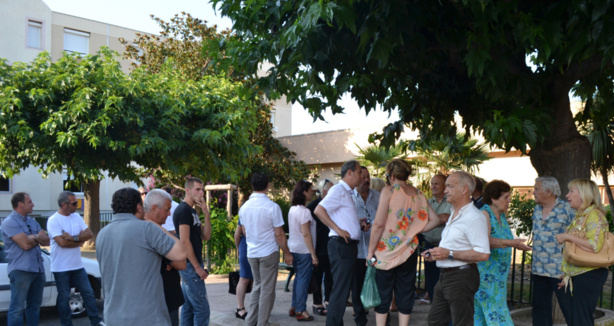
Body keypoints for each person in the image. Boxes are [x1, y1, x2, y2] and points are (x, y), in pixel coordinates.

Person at [366, 159, 441, 326]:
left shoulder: (389, 190)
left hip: (385, 251)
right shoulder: (419, 194)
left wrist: (370, 252)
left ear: (391, 175)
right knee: (405, 291)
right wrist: (413, 231)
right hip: (409, 250)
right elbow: (435, 220)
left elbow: (378, 224)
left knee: (383, 292)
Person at [97, 187, 186, 325]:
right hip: (147, 318)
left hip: (113, 317)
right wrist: (153, 224)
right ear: (139, 207)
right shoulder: (147, 229)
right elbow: (181, 252)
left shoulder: (102, 234)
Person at [422, 171, 490, 326]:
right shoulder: (454, 213)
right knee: (435, 321)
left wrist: (449, 253)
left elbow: (483, 254)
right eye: (446, 186)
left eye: (450, 186)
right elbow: (454, 246)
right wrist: (438, 254)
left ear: (464, 189)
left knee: (462, 322)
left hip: (461, 276)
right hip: (445, 276)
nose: (445, 190)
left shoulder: (474, 217)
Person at [473, 180, 531, 325]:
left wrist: (515, 244)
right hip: (486, 277)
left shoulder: (503, 216)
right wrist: (512, 243)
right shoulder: (484, 214)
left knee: (485, 316)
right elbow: (484, 240)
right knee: (496, 315)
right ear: (493, 198)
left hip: (499, 278)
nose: (509, 201)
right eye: (506, 197)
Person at [239, 172, 293, 326]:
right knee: (267, 290)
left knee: (257, 286)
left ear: (252, 186)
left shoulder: (244, 208)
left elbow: (243, 231)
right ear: (268, 185)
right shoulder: (272, 207)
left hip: (252, 252)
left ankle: (251, 321)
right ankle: (262, 323)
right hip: (268, 252)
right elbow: (280, 234)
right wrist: (287, 253)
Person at [314, 160, 363, 326]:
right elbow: (319, 210)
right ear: (349, 173)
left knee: (343, 289)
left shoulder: (347, 192)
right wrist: (338, 229)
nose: (361, 176)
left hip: (346, 245)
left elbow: (341, 216)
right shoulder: (338, 190)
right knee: (341, 291)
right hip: (341, 245)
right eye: (359, 172)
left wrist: (357, 223)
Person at [556, 179, 609, 326]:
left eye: (572, 191)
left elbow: (594, 246)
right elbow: (577, 252)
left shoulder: (594, 215)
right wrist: (567, 274)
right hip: (577, 275)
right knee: (575, 320)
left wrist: (567, 236)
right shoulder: (581, 217)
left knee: (581, 321)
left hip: (589, 275)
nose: (567, 195)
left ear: (584, 195)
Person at [47, 191, 104, 326]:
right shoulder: (53, 220)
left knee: (88, 294)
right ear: (64, 204)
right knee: (63, 298)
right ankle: (66, 324)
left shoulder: (76, 217)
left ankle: (95, 321)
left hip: (77, 266)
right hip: (61, 268)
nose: (77, 206)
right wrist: (79, 242)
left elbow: (89, 233)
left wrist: (74, 238)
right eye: (74, 203)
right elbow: (62, 243)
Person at [530, 176, 574, 326]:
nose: (533, 192)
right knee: (539, 311)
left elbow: (578, 237)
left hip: (560, 271)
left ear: (548, 191)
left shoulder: (567, 209)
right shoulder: (536, 209)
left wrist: (570, 268)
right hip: (538, 270)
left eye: (536, 189)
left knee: (570, 310)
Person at [2, 192, 50, 326]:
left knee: (34, 307)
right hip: (21, 270)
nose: (33, 204)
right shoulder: (9, 222)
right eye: (29, 202)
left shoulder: (32, 221)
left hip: (38, 270)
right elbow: (25, 244)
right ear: (20, 204)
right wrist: (36, 237)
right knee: (17, 309)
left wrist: (32, 237)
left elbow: (46, 241)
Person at [143, 189, 186, 326]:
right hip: (161, 300)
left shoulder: (157, 230)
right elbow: (181, 262)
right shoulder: (149, 233)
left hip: (169, 297)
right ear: (154, 209)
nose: (169, 214)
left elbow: (181, 262)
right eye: (167, 209)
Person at [173, 177, 212, 326]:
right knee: (202, 309)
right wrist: (197, 267)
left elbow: (206, 236)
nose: (201, 192)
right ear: (187, 191)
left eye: (202, 189)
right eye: (198, 189)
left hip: (192, 264)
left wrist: (206, 214)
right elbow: (184, 241)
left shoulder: (192, 211)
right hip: (190, 265)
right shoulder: (184, 210)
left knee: (188, 307)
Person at [352, 167, 379, 326]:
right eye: (363, 177)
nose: (366, 180)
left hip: (376, 250)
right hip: (356, 251)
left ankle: (383, 318)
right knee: (357, 287)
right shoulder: (349, 198)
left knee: (379, 285)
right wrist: (358, 224)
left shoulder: (379, 196)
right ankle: (360, 319)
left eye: (368, 177)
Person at [288, 180, 318, 321]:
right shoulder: (305, 212)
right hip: (304, 250)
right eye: (310, 190)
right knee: (303, 281)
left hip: (293, 248)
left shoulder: (292, 209)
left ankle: (295, 306)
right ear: (304, 192)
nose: (312, 192)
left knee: (298, 278)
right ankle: (301, 310)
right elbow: (306, 233)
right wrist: (313, 254)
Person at [420, 174, 451, 305]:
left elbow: (446, 218)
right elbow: (421, 219)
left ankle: (443, 305)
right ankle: (434, 303)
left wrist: (433, 219)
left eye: (437, 183)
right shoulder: (429, 202)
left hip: (444, 246)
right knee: (431, 278)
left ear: (445, 186)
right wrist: (438, 219)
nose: (433, 186)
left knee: (444, 277)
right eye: (432, 183)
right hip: (429, 245)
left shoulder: (450, 201)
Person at [308, 179, 334, 316]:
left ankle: (329, 300)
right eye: (331, 189)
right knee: (318, 276)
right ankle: (316, 302)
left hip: (331, 245)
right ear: (324, 191)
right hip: (318, 246)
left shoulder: (333, 204)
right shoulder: (313, 206)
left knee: (330, 274)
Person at [233, 219, 252, 320]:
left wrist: (238, 248)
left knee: (245, 279)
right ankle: (240, 307)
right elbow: (237, 234)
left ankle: (241, 308)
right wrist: (239, 248)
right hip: (249, 248)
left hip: (247, 248)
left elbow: (237, 235)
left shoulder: (245, 211)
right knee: (245, 278)